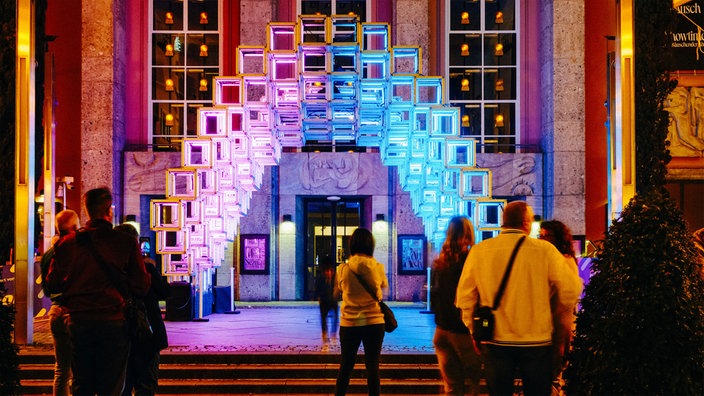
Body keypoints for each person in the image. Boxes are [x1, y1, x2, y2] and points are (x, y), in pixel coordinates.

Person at [456, 201, 582, 396]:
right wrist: (553, 311)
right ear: (526, 223)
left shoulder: (480, 251)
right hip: (537, 341)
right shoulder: (545, 251)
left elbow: (465, 296)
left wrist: (474, 329)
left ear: (503, 222)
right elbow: (571, 289)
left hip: (495, 340)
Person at [46, 187, 150, 395]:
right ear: (109, 211)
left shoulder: (68, 244)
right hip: (113, 320)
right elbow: (141, 285)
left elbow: (53, 283)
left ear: (87, 210)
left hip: (79, 321)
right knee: (111, 386)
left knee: (81, 383)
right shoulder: (124, 242)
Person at [115, 223, 170, 396]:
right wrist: (153, 270)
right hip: (148, 331)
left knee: (123, 383)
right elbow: (164, 292)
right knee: (146, 383)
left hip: (120, 332)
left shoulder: (113, 270)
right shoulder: (146, 268)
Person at [333, 228, 389, 396]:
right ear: (370, 245)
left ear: (352, 245)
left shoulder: (342, 268)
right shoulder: (378, 267)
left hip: (349, 323)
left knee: (346, 366)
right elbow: (382, 291)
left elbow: (339, 290)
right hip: (374, 322)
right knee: (373, 367)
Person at [431, 216, 482, 396]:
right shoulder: (471, 260)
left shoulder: (440, 262)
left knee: (452, 388)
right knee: (476, 384)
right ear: (469, 234)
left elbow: (435, 298)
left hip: (441, 331)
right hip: (462, 332)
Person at [40, 209, 79, 396]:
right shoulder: (78, 250)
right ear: (74, 227)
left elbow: (47, 288)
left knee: (61, 369)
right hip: (75, 310)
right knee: (80, 369)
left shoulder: (49, 254)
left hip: (56, 310)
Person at [539, 220, 580, 393]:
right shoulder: (548, 259)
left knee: (554, 371)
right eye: (541, 236)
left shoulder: (564, 261)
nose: (544, 240)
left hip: (559, 324)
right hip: (547, 323)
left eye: (548, 236)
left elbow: (567, 299)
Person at [315, 256, 339, 346]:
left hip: (333, 300)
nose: (329, 273)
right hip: (324, 300)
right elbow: (317, 288)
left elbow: (338, 287)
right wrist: (318, 297)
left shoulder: (335, 277)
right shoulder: (320, 278)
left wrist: (336, 296)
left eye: (330, 271)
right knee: (323, 318)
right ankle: (325, 334)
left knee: (335, 318)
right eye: (327, 271)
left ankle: (333, 334)